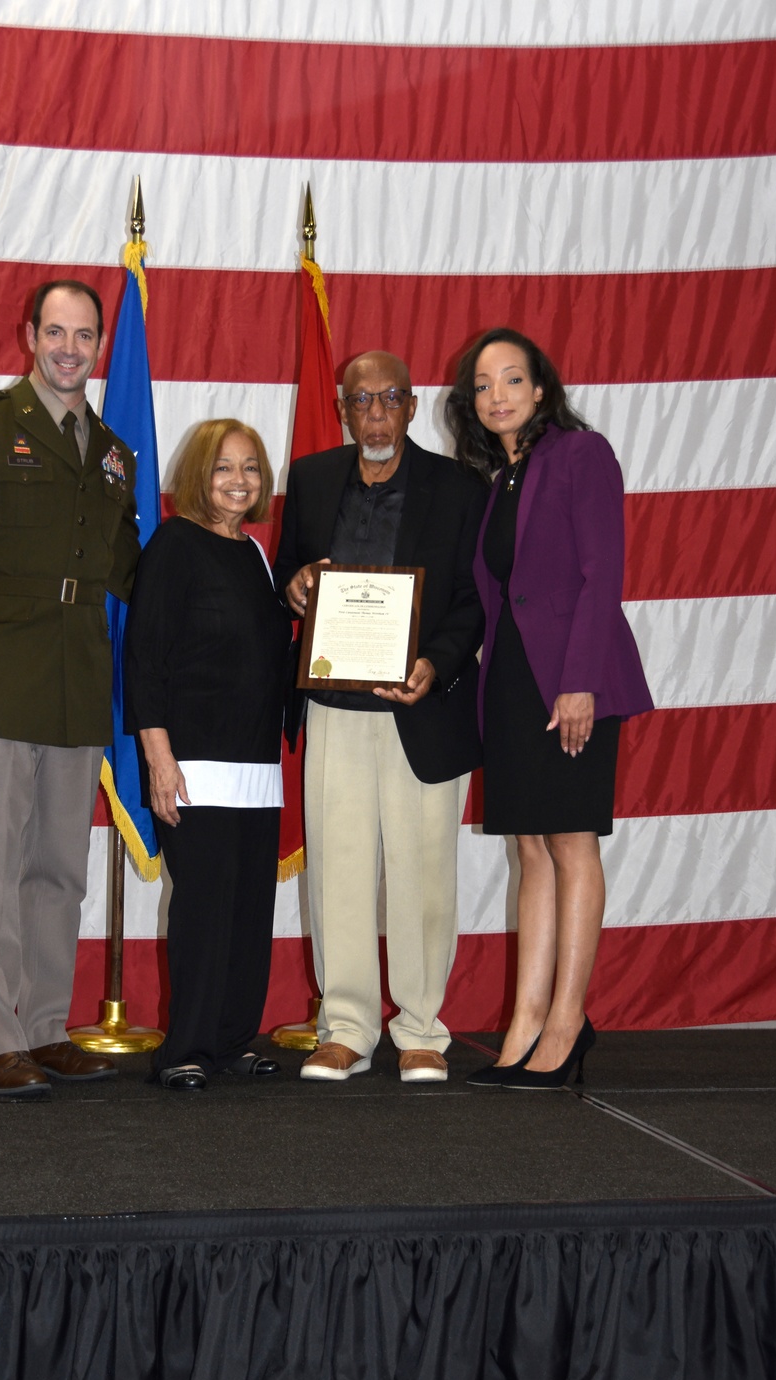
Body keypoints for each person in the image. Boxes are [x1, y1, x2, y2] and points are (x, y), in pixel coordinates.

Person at [0, 280, 140, 1099]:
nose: (70, 348)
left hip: (77, 683)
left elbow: (127, 571)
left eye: (84, 335)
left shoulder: (114, 453)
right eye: (56, 332)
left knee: (58, 870)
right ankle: (0, 1041)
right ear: (29, 335)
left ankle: (46, 1026)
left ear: (100, 343)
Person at [445, 327, 653, 1090]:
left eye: (512, 379)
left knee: (571, 842)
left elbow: (604, 576)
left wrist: (582, 682)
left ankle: (568, 1021)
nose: (497, 395)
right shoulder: (498, 479)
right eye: (483, 384)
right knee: (529, 848)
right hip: (510, 682)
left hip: (572, 679)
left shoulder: (580, 454)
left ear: (541, 390)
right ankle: (524, 1024)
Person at [275, 351, 487, 1083]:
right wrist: (297, 584)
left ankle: (422, 1028)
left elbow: (474, 601)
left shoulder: (459, 488)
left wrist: (438, 665)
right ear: (343, 408)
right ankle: (346, 1026)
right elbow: (287, 575)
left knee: (423, 871)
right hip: (335, 703)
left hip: (421, 704)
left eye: (388, 398)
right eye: (360, 400)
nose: (374, 413)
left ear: (411, 404)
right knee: (336, 869)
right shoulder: (309, 478)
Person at [123, 420, 292, 1091]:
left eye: (251, 468)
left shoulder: (254, 553)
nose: (239, 481)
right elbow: (145, 661)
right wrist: (160, 762)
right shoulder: (175, 544)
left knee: (250, 910)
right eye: (224, 468)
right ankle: (184, 1048)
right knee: (203, 909)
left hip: (257, 766)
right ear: (199, 474)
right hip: (193, 765)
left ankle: (228, 1042)